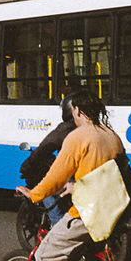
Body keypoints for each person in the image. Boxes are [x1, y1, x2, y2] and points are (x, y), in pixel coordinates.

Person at [16, 90, 130, 261]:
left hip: (88, 213)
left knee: (46, 257)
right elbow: (106, 173)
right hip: (113, 210)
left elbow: (55, 178)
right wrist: (76, 186)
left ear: (77, 110)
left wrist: (34, 195)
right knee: (90, 251)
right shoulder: (111, 136)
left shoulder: (77, 137)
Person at [21, 95, 79, 228]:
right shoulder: (97, 128)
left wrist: (28, 165)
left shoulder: (66, 129)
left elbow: (45, 148)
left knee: (48, 190)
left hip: (75, 174)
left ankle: (58, 225)